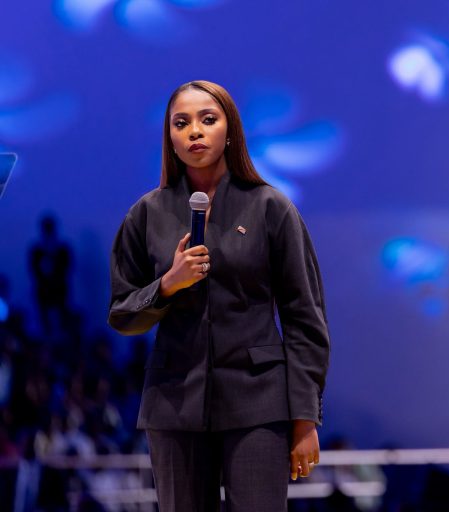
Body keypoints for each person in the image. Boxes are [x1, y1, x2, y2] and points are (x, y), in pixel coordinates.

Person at [107, 80, 331, 511]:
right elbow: (122, 313)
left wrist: (305, 417)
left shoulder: (271, 207)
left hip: (258, 402)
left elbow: (304, 318)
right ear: (170, 139)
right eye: (181, 123)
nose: (195, 131)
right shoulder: (146, 214)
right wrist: (167, 285)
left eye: (208, 119)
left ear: (230, 132)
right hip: (174, 403)